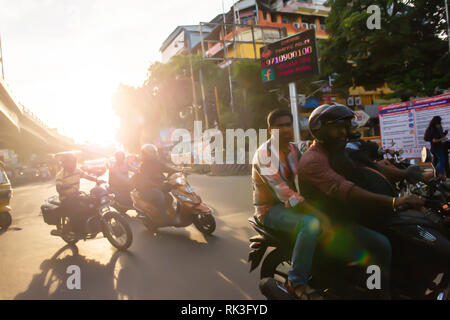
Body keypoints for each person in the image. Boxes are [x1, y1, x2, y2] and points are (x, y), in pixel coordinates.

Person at [298, 103, 425, 299]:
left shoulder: (337, 150)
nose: (343, 132)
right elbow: (347, 191)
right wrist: (394, 202)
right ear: (321, 130)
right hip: (332, 222)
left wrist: (406, 174)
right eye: (336, 128)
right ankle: (378, 294)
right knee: (380, 245)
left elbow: (370, 167)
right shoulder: (314, 160)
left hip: (350, 213)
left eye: (345, 127)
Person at [252, 108, 331, 300]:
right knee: (310, 224)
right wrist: (319, 215)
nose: (287, 129)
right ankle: (296, 282)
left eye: (289, 124)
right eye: (281, 125)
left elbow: (309, 173)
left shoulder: (294, 149)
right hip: (271, 210)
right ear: (271, 129)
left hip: (291, 203)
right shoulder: (265, 156)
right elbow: (286, 195)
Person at [56, 153, 105, 237]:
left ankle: (93, 224)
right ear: (65, 164)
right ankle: (76, 230)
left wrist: (97, 180)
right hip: (66, 199)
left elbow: (86, 176)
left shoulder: (77, 170)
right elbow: (58, 188)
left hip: (77, 195)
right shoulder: (60, 175)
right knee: (78, 210)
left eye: (74, 162)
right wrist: (64, 190)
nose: (73, 164)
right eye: (70, 162)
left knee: (93, 203)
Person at [132, 144, 180, 224]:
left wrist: (179, 171)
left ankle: (171, 213)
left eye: (154, 152)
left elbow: (168, 169)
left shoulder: (157, 163)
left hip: (156, 187)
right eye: (151, 152)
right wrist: (159, 186)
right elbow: (146, 181)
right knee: (159, 195)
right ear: (146, 154)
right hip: (146, 190)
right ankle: (163, 218)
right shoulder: (143, 165)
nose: (154, 153)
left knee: (169, 197)